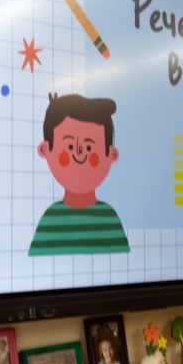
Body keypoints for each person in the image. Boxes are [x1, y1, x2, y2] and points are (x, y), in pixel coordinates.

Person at [29, 93, 129, 255]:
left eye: (89, 147)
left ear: (111, 154)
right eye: (69, 146)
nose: (79, 154)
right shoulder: (50, 219)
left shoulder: (109, 218)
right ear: (45, 150)